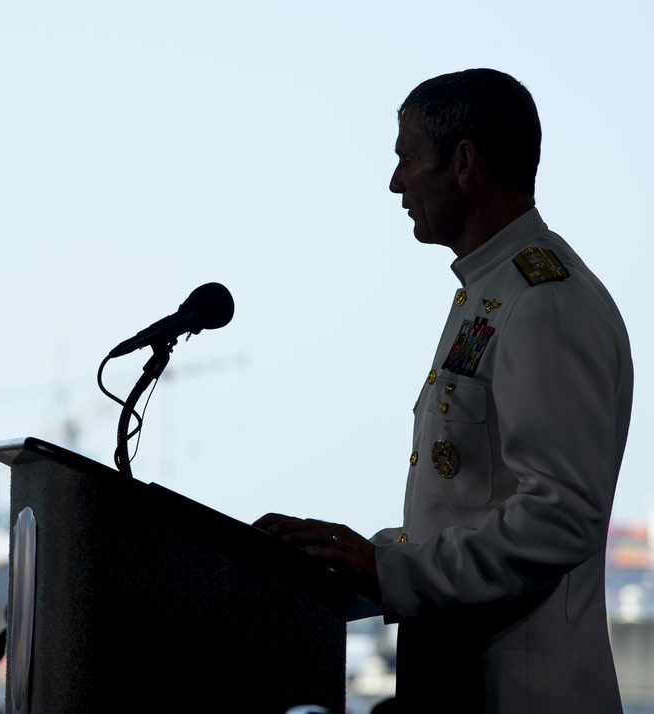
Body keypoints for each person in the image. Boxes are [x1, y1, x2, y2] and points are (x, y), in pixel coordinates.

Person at [255, 69, 633, 713]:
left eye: (406, 158)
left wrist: (388, 571)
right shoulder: (494, 294)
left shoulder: (547, 304)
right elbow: (469, 509)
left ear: (463, 163)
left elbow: (560, 517)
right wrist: (352, 556)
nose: (396, 182)